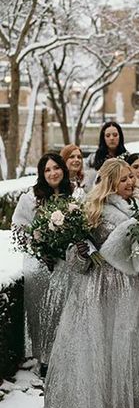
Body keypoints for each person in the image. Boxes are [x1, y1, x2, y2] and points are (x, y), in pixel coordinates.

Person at [40, 158, 139, 408]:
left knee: (124, 346)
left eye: (132, 177)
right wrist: (79, 251)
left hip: (130, 285)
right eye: (124, 178)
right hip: (99, 285)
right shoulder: (94, 207)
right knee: (97, 346)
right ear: (111, 182)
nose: (131, 182)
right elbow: (75, 253)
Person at [12, 153, 73, 375]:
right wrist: (38, 249)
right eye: (47, 170)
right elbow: (18, 229)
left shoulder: (75, 195)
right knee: (46, 311)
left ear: (63, 170)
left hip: (69, 261)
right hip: (42, 263)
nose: (52, 173)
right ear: (41, 173)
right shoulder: (31, 198)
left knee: (67, 308)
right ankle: (45, 358)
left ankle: (67, 354)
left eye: (56, 168)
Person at [86, 122, 128, 187]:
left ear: (120, 137)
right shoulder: (93, 159)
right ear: (103, 138)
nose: (111, 138)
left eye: (115, 135)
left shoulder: (128, 158)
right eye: (108, 135)